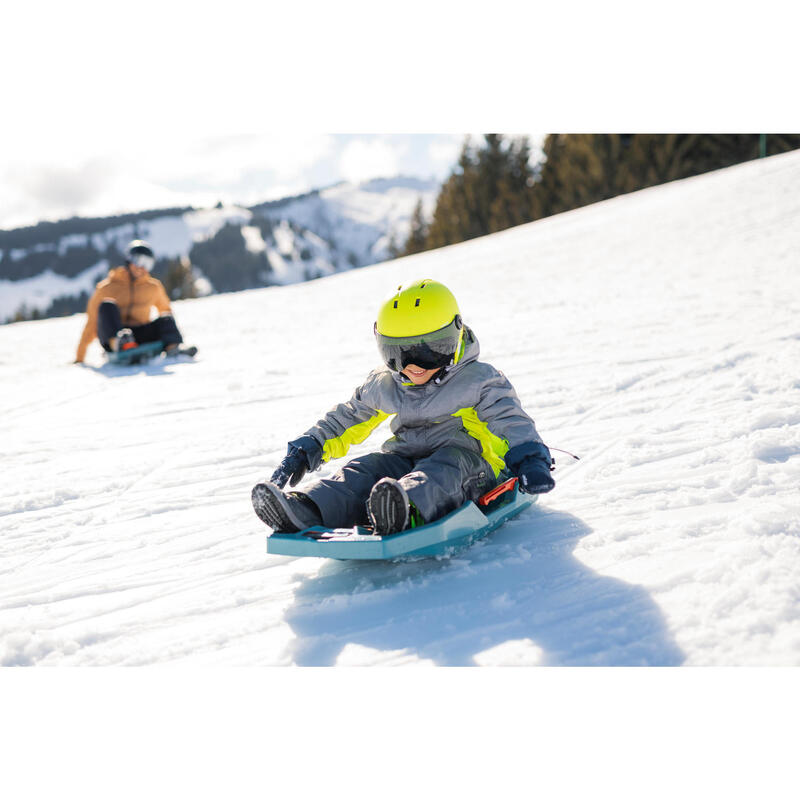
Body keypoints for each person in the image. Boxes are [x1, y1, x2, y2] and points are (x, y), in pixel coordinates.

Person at [252, 279, 555, 536]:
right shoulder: (387, 383)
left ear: (455, 335)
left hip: (472, 464)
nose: (412, 367)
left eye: (429, 352)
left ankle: (404, 510)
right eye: (397, 354)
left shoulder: (479, 380)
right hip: (405, 459)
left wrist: (530, 458)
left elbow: (510, 420)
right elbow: (347, 418)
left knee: (443, 470)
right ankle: (308, 508)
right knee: (366, 468)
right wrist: (309, 447)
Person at [74, 240, 192, 363]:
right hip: (114, 335)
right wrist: (79, 357)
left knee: (166, 318)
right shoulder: (106, 288)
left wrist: (168, 332)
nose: (142, 267)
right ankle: (119, 344)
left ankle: (173, 348)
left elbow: (165, 309)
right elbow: (92, 323)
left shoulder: (153, 287)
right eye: (139, 261)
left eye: (147, 263)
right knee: (106, 306)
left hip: (139, 334)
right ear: (129, 260)